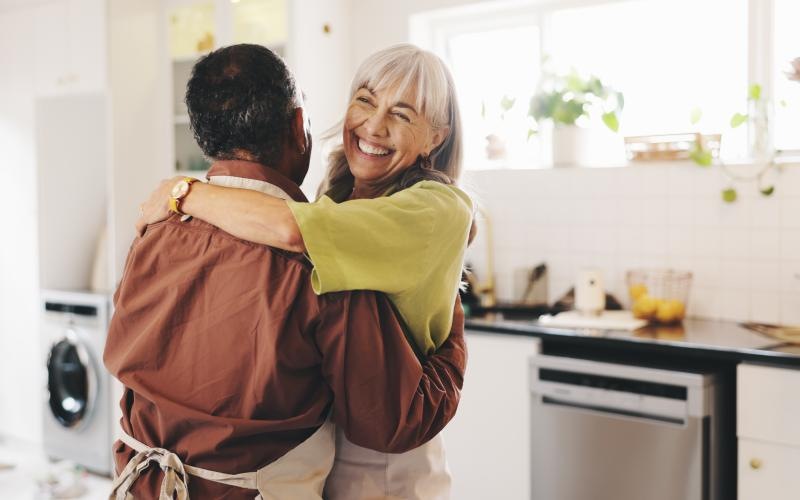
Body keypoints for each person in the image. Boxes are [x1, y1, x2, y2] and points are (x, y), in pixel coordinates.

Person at [104, 43, 467, 500]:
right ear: (300, 127)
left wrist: (181, 191)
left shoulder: (154, 231)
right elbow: (388, 419)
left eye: (403, 113)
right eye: (367, 100)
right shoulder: (322, 247)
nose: (374, 125)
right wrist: (454, 348)